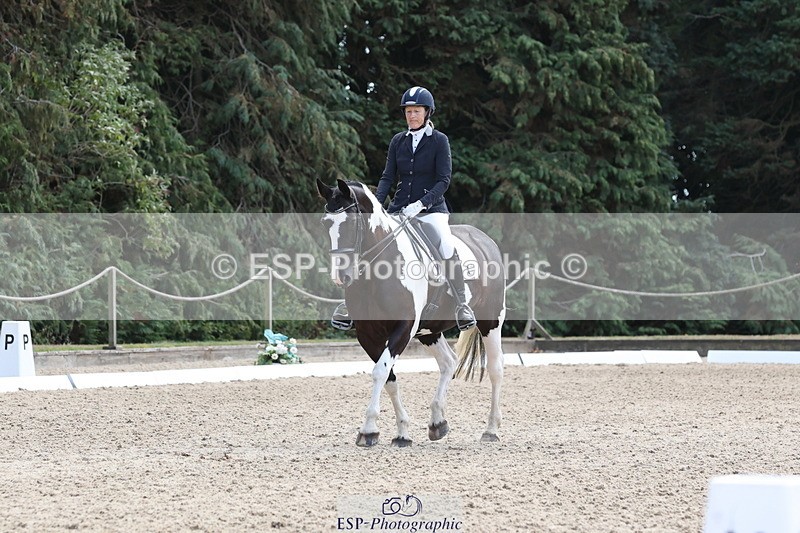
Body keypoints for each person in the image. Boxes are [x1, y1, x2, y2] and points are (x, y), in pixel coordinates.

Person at [332, 86, 477, 331]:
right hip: (397, 209)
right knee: (367, 245)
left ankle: (462, 304)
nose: (412, 116)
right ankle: (349, 305)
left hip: (431, 210)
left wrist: (421, 204)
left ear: (427, 112)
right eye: (408, 111)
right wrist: (377, 206)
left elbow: (443, 180)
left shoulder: (439, 141)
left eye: (416, 111)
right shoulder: (398, 141)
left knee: (445, 244)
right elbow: (388, 177)